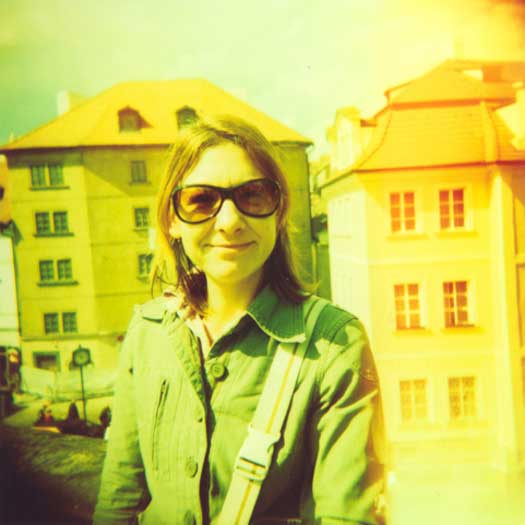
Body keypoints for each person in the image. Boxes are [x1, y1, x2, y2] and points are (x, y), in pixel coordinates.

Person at [93, 116, 385, 525]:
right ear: (172, 220)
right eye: (201, 200)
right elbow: (119, 500)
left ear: (278, 212)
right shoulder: (148, 331)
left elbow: (347, 516)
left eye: (253, 195)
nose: (229, 221)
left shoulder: (333, 345)